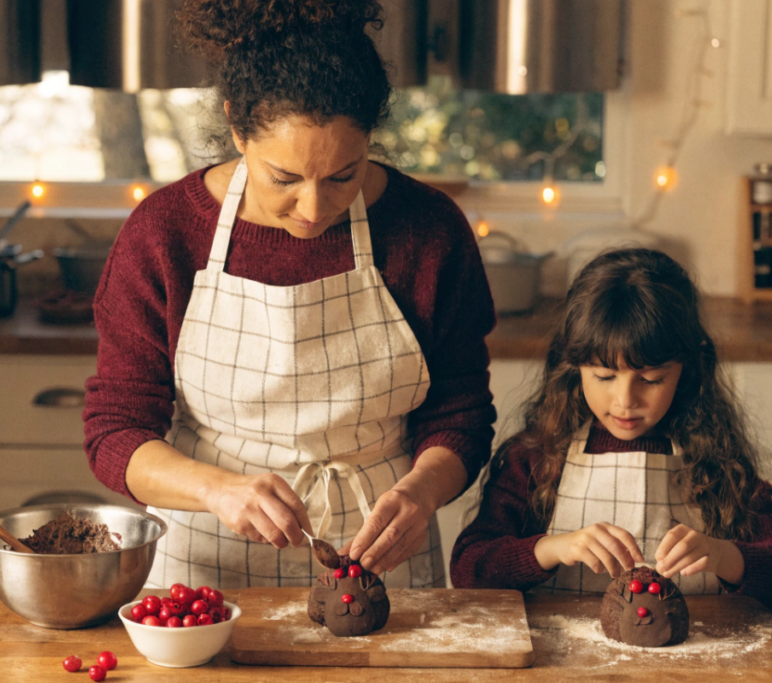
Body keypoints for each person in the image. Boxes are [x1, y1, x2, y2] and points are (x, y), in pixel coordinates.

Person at [83, 0, 496, 590]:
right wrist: (216, 489)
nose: (314, 208)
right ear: (236, 126)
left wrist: (422, 493)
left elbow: (460, 412)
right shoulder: (165, 231)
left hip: (382, 557)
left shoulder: (428, 230)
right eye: (284, 178)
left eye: (343, 175)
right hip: (207, 563)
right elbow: (116, 431)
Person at [451, 249, 772, 609]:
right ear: (573, 365)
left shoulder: (715, 461)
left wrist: (725, 556)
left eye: (651, 379)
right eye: (604, 376)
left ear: (688, 369)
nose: (625, 400)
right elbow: (469, 568)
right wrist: (552, 548)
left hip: (695, 650)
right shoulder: (537, 457)